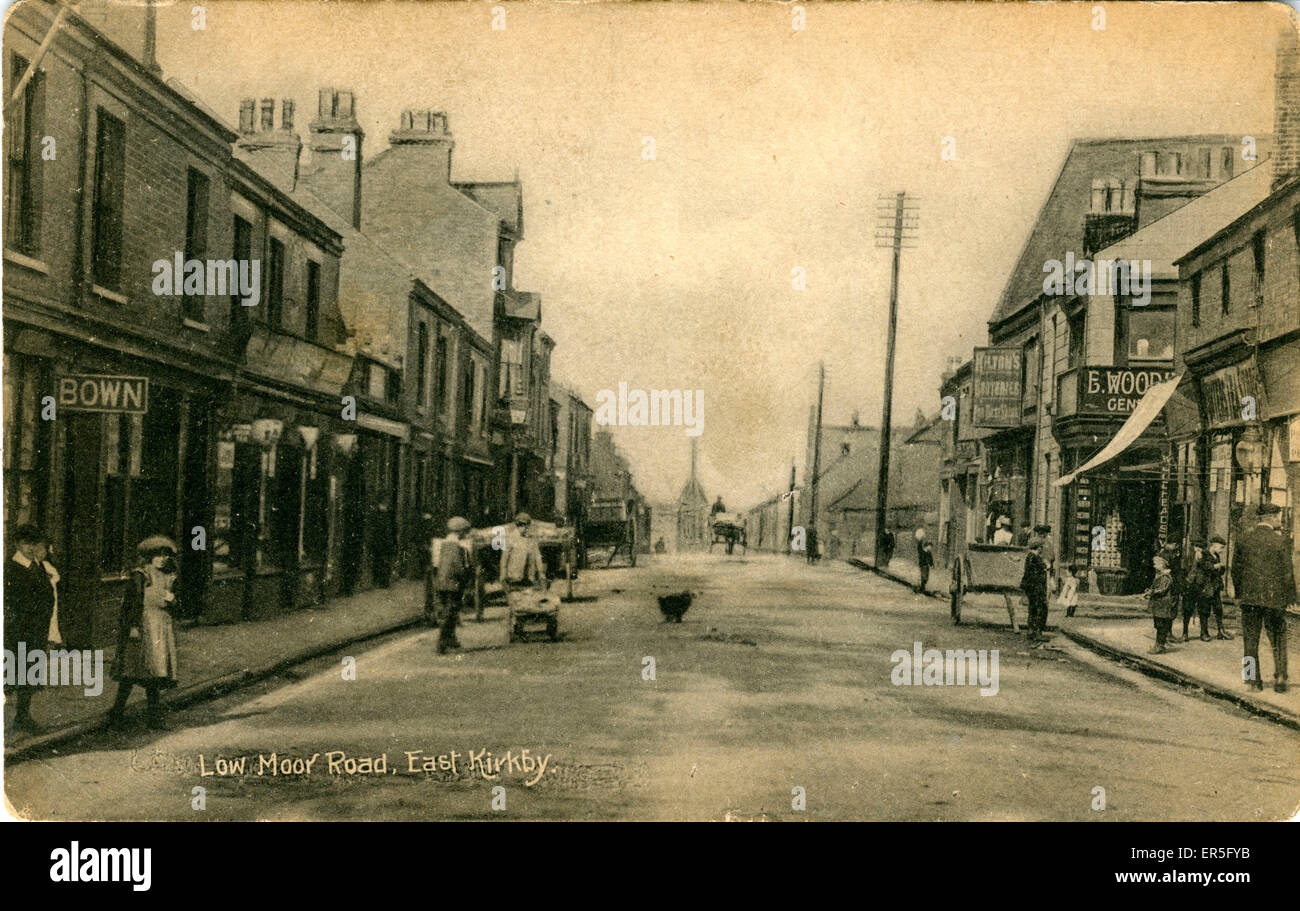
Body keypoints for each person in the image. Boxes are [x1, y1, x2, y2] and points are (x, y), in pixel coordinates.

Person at [107, 536, 181, 730]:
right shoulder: (141, 576)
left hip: (161, 627)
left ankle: (153, 718)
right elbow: (130, 604)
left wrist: (173, 600)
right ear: (149, 557)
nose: (162, 559)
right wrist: (132, 627)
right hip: (143, 627)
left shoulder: (169, 577)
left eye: (165, 555)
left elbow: (177, 604)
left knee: (154, 674)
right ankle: (116, 713)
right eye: (158, 555)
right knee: (130, 672)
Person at [1231, 505, 1296, 693]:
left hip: (1250, 600)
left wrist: (1240, 594)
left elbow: (1236, 570)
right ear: (1273, 517)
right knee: (1278, 640)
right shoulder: (1281, 541)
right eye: (1278, 517)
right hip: (1274, 601)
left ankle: (1251, 680)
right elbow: (1287, 573)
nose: (1279, 520)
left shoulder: (1243, 539)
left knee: (1250, 641)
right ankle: (1281, 680)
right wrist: (1290, 597)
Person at [5, 524, 58, 734]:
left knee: (29, 673)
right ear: (17, 544)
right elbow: (13, 600)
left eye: (34, 543)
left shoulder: (39, 566)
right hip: (17, 630)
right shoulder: (11, 568)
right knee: (12, 673)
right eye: (26, 543)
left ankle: (22, 716)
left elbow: (48, 595)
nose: (30, 547)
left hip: (36, 629)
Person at [434, 517, 472, 654]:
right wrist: (465, 578)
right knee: (450, 613)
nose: (465, 535)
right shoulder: (457, 547)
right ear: (460, 532)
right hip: (453, 584)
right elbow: (458, 567)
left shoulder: (442, 545)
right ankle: (442, 642)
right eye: (464, 532)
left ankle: (451, 639)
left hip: (441, 583)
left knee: (447, 611)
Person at [499, 512, 544, 591]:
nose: (526, 529)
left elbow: (538, 557)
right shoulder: (511, 538)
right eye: (523, 526)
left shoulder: (531, 538)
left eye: (527, 526)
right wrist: (503, 578)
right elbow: (504, 559)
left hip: (529, 579)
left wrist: (542, 575)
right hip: (513, 579)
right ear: (518, 525)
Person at [1182, 541, 1214, 642]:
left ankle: (1203, 633)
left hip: (1202, 587)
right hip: (1190, 587)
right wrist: (1185, 584)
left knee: (1204, 611)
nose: (1198, 549)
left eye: (1201, 547)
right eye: (1197, 546)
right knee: (1187, 610)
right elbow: (1183, 570)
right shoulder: (1188, 557)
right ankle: (1185, 633)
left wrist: (1201, 561)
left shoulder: (1207, 557)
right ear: (1194, 547)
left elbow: (1210, 569)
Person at [1145, 554, 1176, 654]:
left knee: (1161, 626)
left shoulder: (1166, 577)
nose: (1154, 566)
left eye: (1156, 564)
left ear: (1162, 565)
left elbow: (1162, 590)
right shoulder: (1161, 575)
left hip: (1163, 605)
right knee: (1159, 625)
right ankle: (1159, 645)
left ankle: (1160, 646)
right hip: (1159, 605)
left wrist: (1151, 592)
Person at [1020, 537, 1049, 642]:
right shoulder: (1035, 558)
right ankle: (1037, 632)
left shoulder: (1029, 557)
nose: (1042, 549)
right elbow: (1037, 575)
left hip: (1030, 588)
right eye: (1041, 547)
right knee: (1041, 609)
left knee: (1033, 609)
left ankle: (1031, 631)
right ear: (1039, 548)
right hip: (1037, 588)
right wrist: (1045, 566)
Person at [1205, 536, 1231, 639]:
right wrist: (1216, 566)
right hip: (1207, 586)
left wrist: (1221, 568)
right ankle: (1204, 632)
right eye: (1221, 548)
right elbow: (1206, 568)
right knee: (1205, 609)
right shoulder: (1205, 554)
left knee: (1218, 609)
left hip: (1215, 586)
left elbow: (1219, 572)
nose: (1221, 551)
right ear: (1214, 545)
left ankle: (1220, 630)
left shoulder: (1216, 555)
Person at [914, 527, 934, 594]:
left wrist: (932, 565)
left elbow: (931, 559)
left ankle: (923, 585)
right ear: (926, 546)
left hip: (926, 566)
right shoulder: (922, 551)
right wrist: (920, 540)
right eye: (929, 546)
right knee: (923, 576)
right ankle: (922, 587)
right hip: (922, 565)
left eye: (931, 547)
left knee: (926, 577)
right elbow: (919, 546)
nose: (930, 548)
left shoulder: (929, 553)